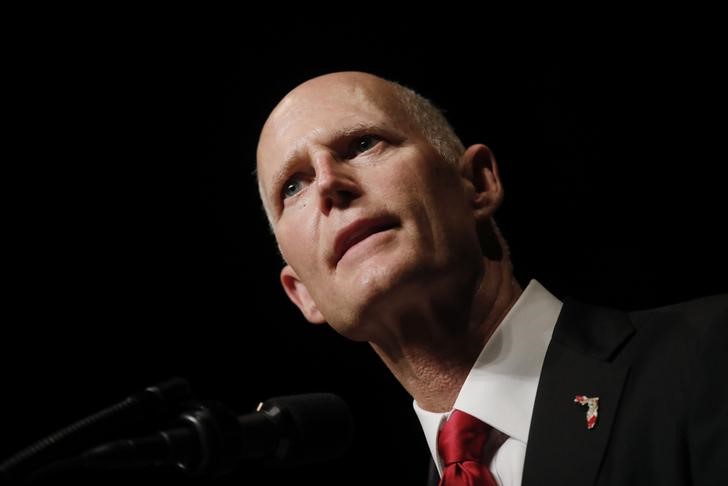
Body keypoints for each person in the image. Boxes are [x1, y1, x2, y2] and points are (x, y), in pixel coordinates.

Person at [255, 71, 727, 485]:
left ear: (478, 184)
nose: (327, 185)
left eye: (362, 144)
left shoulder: (708, 355)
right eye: (292, 186)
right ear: (302, 295)